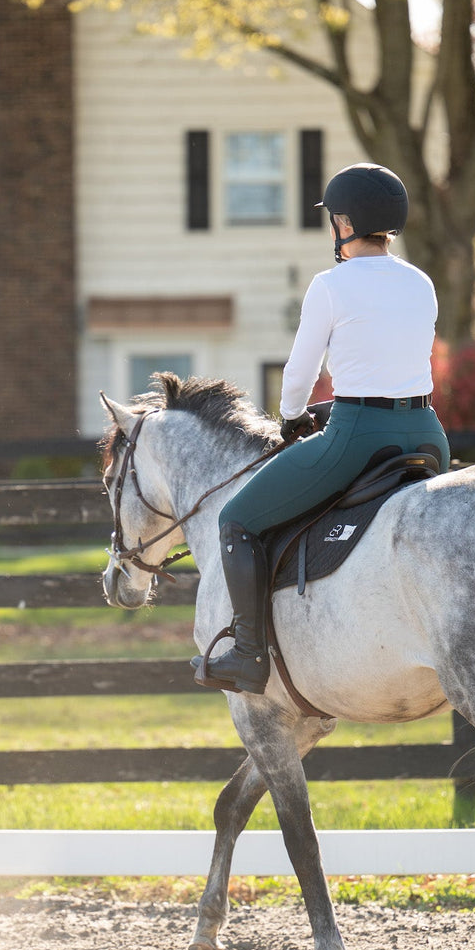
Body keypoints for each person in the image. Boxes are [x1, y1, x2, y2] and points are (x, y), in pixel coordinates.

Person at [194, 161, 450, 695]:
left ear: (346, 223)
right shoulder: (421, 282)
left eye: (334, 220)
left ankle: (248, 654)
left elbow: (300, 373)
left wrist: (292, 416)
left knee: (237, 520)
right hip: (428, 434)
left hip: (357, 438)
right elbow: (391, 366)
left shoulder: (330, 285)